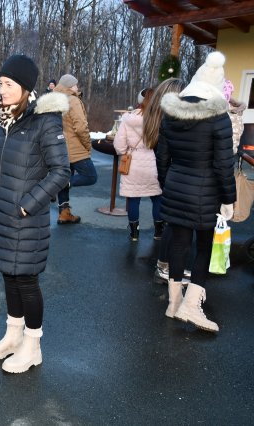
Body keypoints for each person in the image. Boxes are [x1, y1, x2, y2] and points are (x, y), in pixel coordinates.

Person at [0, 54, 71, 374]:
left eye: (8, 84)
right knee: (9, 276)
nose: (1, 89)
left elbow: (61, 171)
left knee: (26, 282)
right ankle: (13, 337)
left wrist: (27, 204)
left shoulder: (44, 120)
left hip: (26, 218)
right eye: (0, 83)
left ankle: (33, 346)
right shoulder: (3, 121)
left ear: (25, 87)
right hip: (1, 215)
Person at [156, 51, 236, 333]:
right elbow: (224, 164)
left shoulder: (171, 114)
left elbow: (162, 157)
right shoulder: (218, 118)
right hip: (206, 193)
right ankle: (190, 307)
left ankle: (173, 303)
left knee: (179, 245)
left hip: (177, 187)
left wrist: (169, 184)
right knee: (203, 247)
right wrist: (229, 198)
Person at [143, 78, 191, 283]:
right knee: (175, 226)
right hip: (177, 181)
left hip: (171, 181)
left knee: (172, 224)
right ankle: (165, 267)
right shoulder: (170, 123)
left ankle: (164, 266)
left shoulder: (156, 119)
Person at [113, 88, 163, 241]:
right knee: (157, 198)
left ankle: (134, 233)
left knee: (134, 199)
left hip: (133, 164)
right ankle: (159, 232)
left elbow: (119, 145)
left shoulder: (128, 119)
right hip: (154, 164)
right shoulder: (159, 118)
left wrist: (128, 150)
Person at [53, 73, 98, 224]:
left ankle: (64, 214)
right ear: (70, 86)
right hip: (75, 148)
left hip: (60, 148)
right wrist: (88, 144)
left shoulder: (55, 99)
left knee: (66, 175)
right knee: (91, 176)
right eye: (76, 84)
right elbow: (80, 127)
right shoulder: (73, 100)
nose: (77, 87)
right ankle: (65, 183)